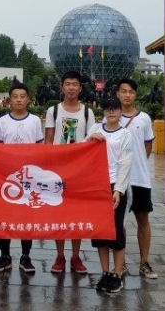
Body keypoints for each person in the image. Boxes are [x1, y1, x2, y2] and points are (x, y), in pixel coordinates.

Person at [44, 70, 96, 274]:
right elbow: (48, 142)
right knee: (58, 214)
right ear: (62, 86)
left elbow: (91, 143)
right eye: (68, 84)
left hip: (79, 172)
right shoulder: (53, 111)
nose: (71, 88)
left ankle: (75, 256)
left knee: (77, 214)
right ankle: (60, 256)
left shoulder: (88, 113)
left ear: (80, 88)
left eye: (75, 84)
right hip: (58, 172)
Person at [0, 82, 43, 274]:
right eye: (15, 96)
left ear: (28, 99)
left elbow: (39, 148)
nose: (19, 100)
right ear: (10, 99)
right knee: (4, 217)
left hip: (28, 177)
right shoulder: (2, 122)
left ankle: (25, 255)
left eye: (22, 96)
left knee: (26, 217)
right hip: (7, 177)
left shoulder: (35, 121)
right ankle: (4, 255)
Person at [87, 96, 134, 294]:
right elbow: (82, 149)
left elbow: (125, 163)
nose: (111, 112)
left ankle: (117, 274)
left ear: (120, 111)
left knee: (116, 231)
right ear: (103, 111)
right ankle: (105, 272)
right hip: (97, 186)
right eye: (107, 109)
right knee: (100, 232)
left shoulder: (125, 135)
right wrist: (90, 139)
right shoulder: (95, 129)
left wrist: (118, 190)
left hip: (115, 186)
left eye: (114, 108)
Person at [117, 77, 159, 279]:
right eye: (123, 91)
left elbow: (147, 146)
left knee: (143, 219)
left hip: (140, 178)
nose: (127, 95)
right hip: (119, 180)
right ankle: (121, 263)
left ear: (135, 95)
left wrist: (138, 163)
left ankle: (144, 262)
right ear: (117, 94)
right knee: (120, 222)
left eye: (131, 92)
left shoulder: (144, 119)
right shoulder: (112, 117)